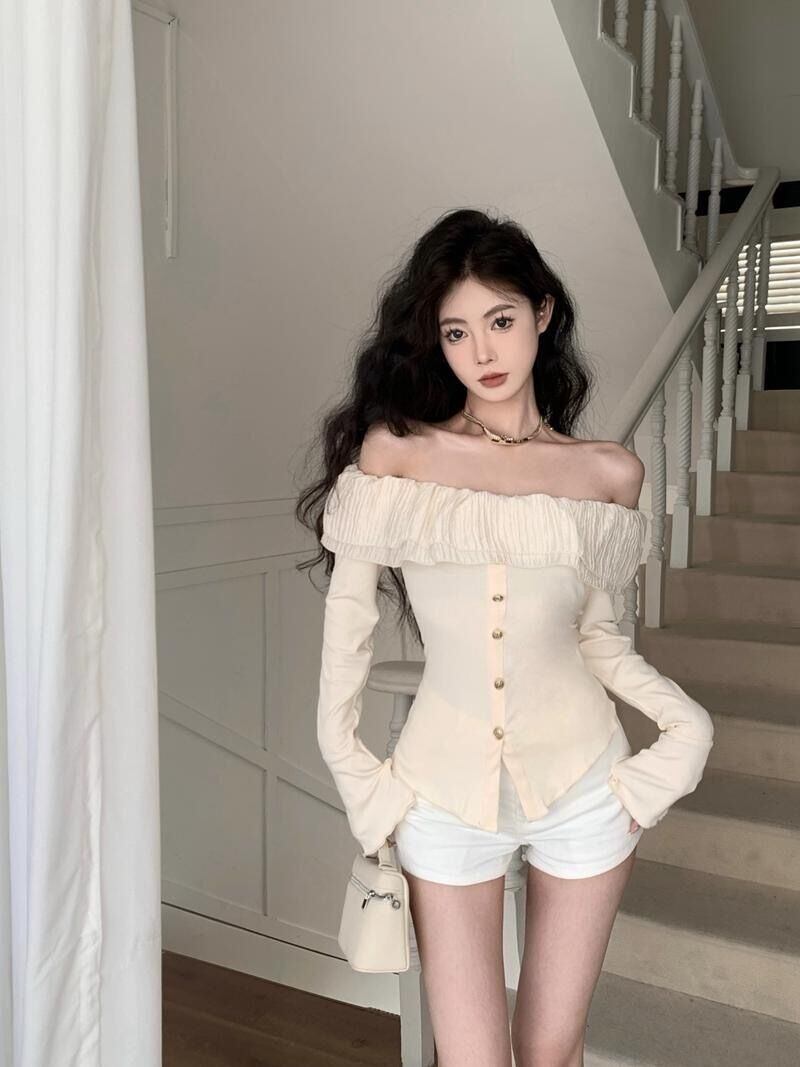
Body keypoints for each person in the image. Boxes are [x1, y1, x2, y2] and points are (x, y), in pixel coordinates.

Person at [295, 208, 714, 1067]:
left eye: (500, 319)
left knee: (552, 1052)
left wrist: (687, 730)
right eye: (456, 331)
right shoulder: (395, 454)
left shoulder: (607, 473)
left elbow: (599, 639)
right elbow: (349, 630)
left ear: (542, 313)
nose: (482, 351)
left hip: (586, 786)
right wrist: (355, 771)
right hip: (439, 794)